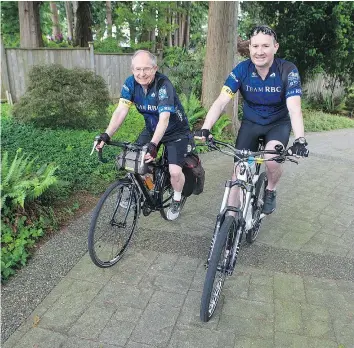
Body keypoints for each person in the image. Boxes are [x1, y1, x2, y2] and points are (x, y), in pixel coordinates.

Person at [195, 25, 309, 214]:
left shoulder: (288, 70)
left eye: (265, 46)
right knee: (239, 170)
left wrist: (300, 140)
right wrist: (206, 128)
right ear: (249, 48)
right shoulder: (241, 70)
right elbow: (221, 101)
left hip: (277, 124)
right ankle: (230, 217)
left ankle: (271, 190)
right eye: (255, 46)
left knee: (271, 160)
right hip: (251, 124)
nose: (259, 51)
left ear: (276, 47)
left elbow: (294, 108)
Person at [96, 50, 191, 220]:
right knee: (135, 160)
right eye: (137, 69)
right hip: (151, 128)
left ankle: (177, 198)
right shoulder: (130, 84)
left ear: (155, 68)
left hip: (175, 131)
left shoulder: (163, 85)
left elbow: (165, 119)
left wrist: (154, 145)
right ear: (132, 70)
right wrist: (106, 135)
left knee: (175, 172)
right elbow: (120, 112)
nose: (142, 74)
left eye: (146, 69)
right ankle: (146, 186)